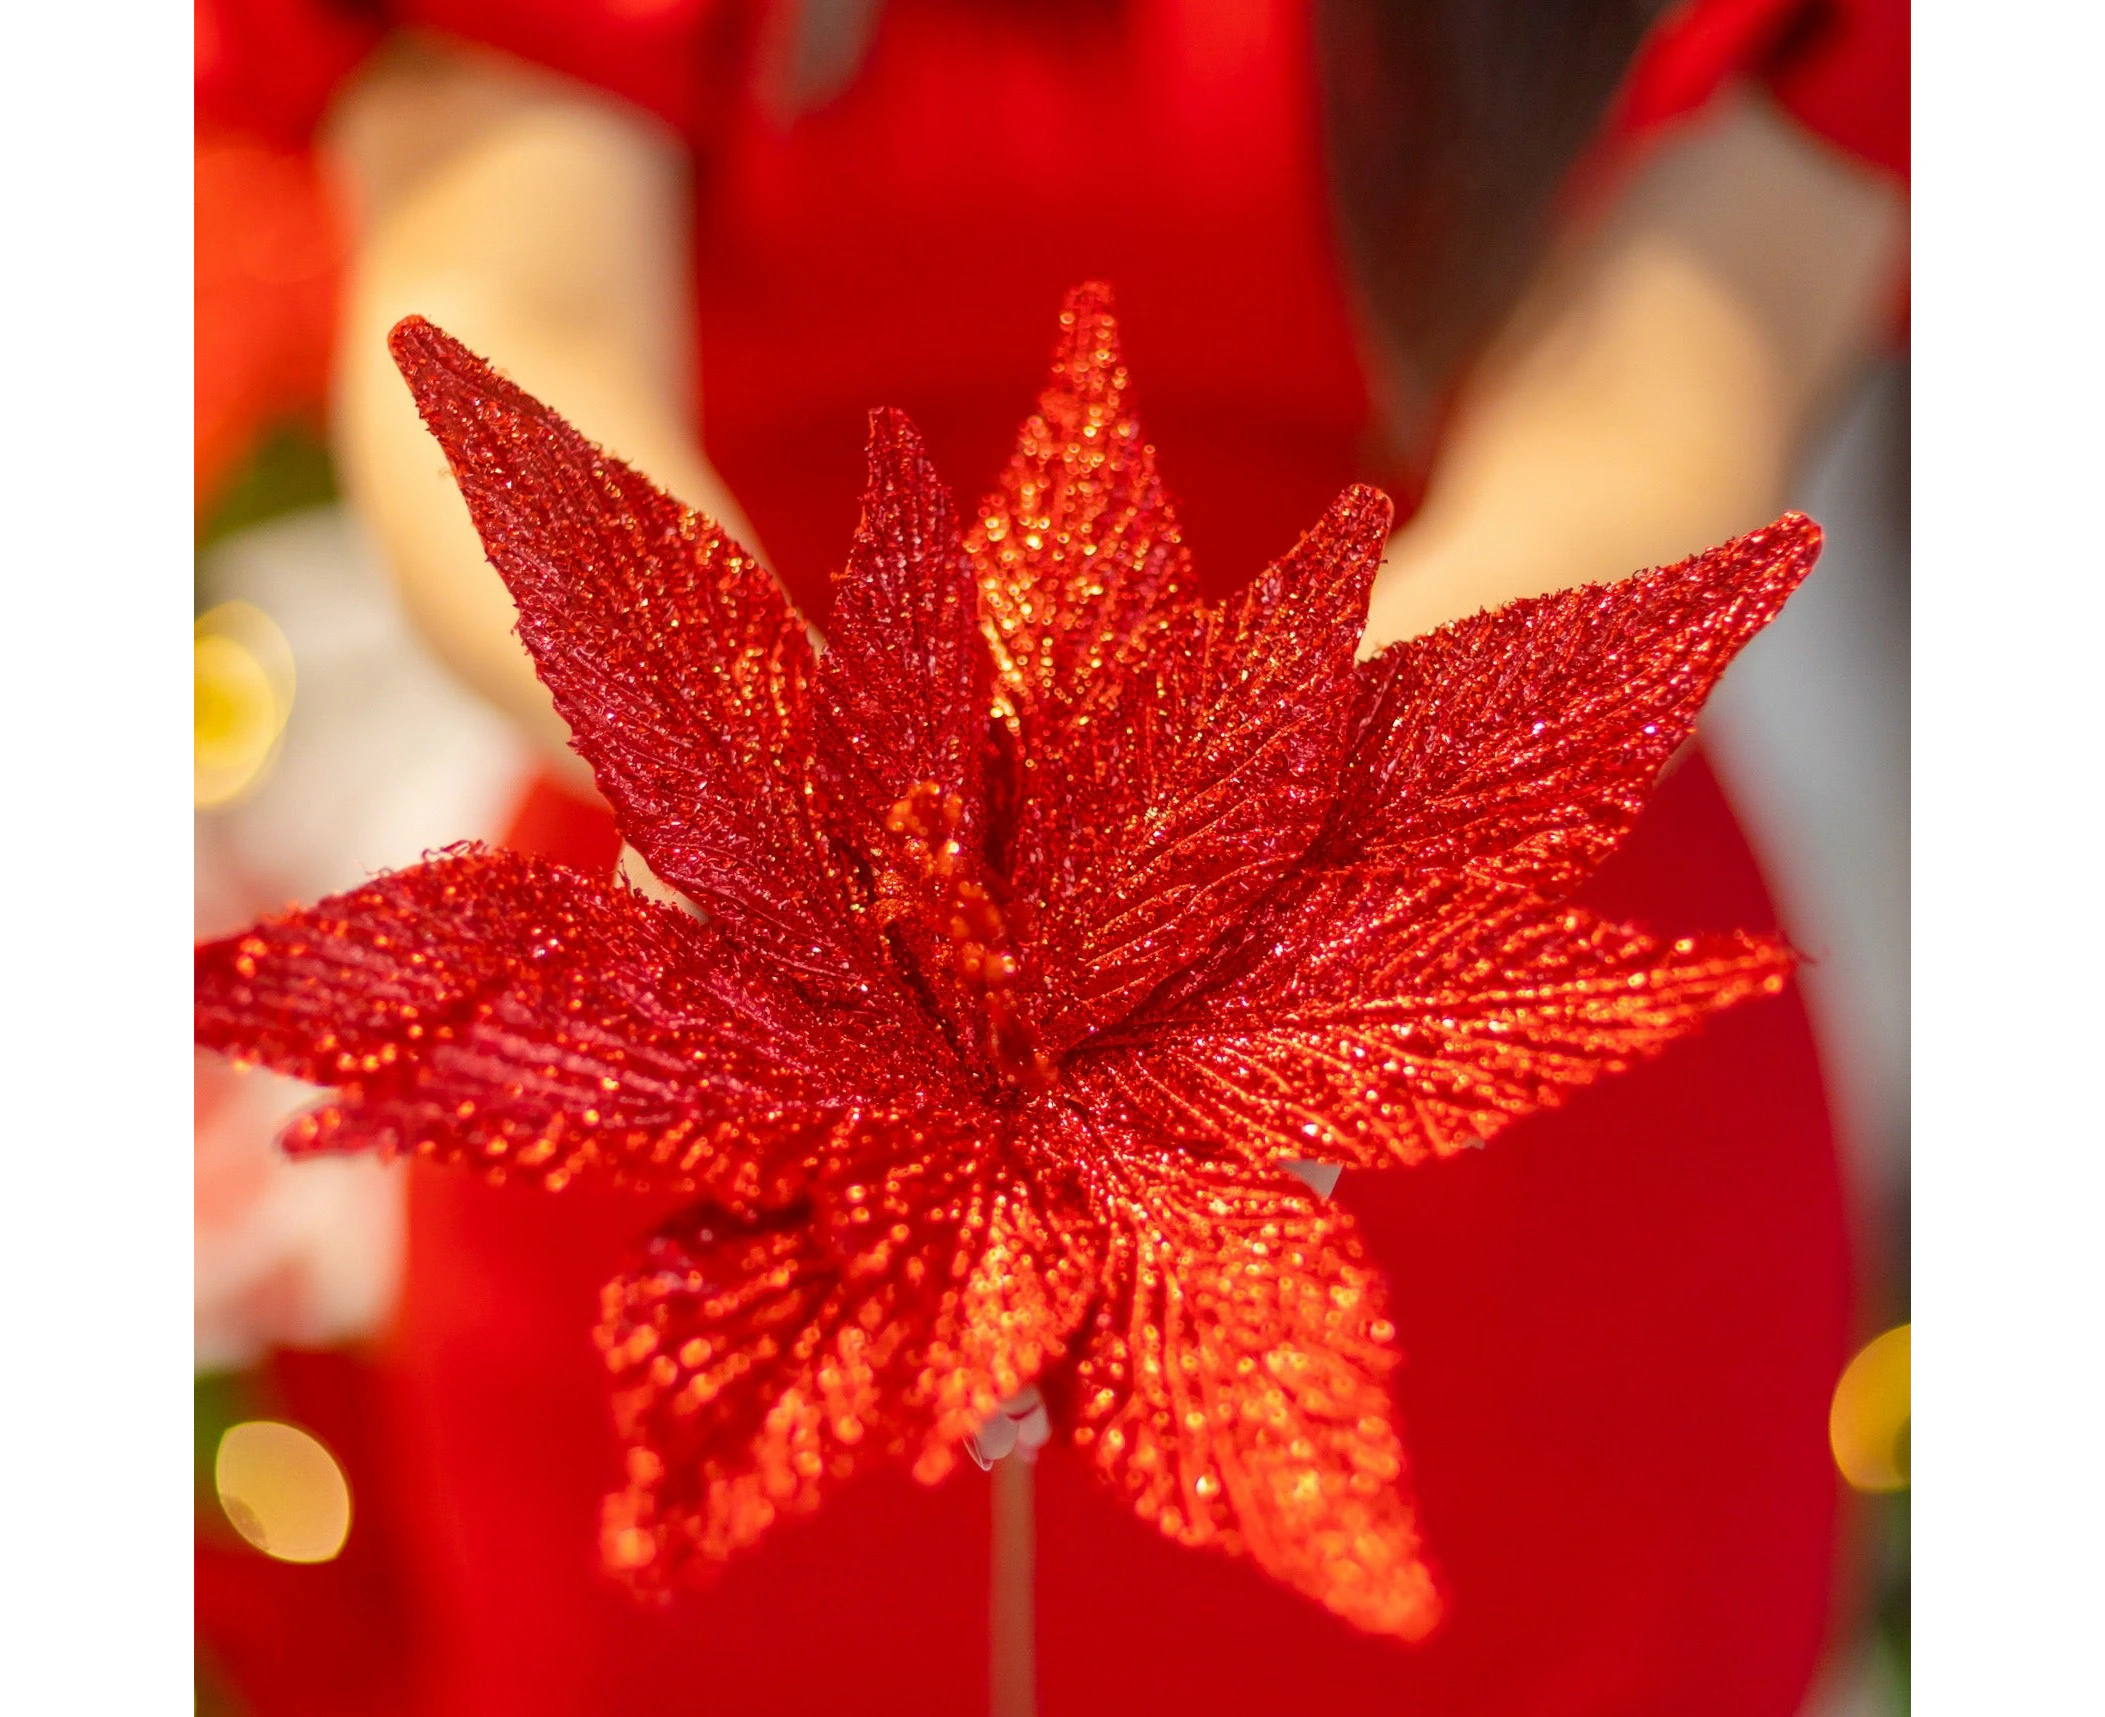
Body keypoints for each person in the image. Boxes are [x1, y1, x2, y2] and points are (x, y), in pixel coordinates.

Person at [197, 3, 1907, 1713]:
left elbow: (1656, 414)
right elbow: (496, 310)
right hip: (729, 1002)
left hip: (1476, 1128)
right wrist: (767, 786)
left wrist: (1232, 851)